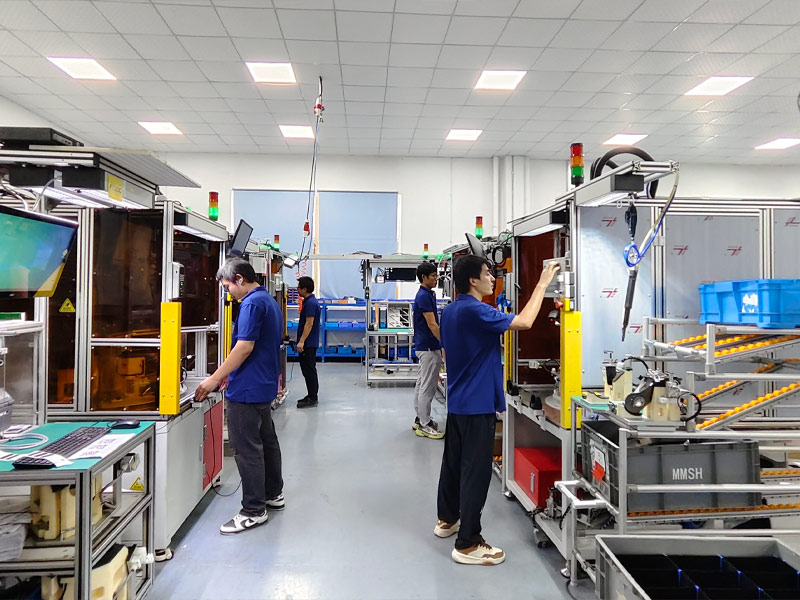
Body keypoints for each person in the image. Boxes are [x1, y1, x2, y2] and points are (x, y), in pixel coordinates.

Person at [434, 255, 559, 565]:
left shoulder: (450, 311)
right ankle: (468, 544)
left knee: (453, 466)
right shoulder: (477, 310)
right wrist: (542, 284)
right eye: (487, 273)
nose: (493, 278)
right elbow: (525, 323)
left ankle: (447, 520)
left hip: (458, 401)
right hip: (478, 405)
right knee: (476, 473)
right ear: (473, 280)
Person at [196, 258, 284, 535]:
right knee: (267, 442)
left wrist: (215, 377)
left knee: (247, 450)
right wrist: (229, 373)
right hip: (262, 385)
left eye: (227, 286)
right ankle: (273, 494)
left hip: (247, 389)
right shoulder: (268, 300)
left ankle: (253, 511)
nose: (228, 293)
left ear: (239, 280)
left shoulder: (251, 304)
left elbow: (244, 347)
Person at [412, 262, 444, 439]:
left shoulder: (427, 294)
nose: (436, 279)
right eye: (433, 276)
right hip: (429, 347)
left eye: (436, 275)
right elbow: (432, 324)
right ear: (423, 277)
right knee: (428, 386)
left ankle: (420, 418)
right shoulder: (424, 296)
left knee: (421, 383)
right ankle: (424, 424)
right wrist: (444, 343)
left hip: (425, 346)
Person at [296, 276, 321, 409]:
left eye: (299, 287)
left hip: (308, 344)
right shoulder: (309, 301)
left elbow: (309, 324)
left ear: (304, 289)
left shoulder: (310, 303)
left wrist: (301, 342)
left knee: (309, 370)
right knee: (307, 370)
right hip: (309, 342)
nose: (297, 289)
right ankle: (311, 394)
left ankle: (313, 398)